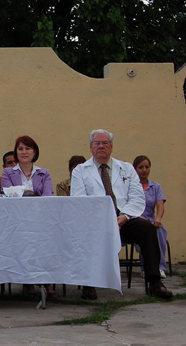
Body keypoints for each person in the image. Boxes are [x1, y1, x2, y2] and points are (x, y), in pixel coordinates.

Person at [71, 129, 173, 300]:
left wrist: (125, 216)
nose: (101, 147)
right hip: (96, 220)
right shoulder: (80, 171)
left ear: (111, 147)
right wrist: (104, 219)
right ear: (90, 147)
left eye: (105, 143)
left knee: (146, 228)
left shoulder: (126, 168)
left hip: (123, 218)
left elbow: (137, 197)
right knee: (85, 233)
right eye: (97, 143)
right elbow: (80, 200)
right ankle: (89, 284)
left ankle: (155, 282)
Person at [1, 135, 56, 298]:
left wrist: (25, 195)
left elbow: (47, 197)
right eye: (20, 149)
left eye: (28, 148)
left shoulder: (44, 173)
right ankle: (28, 281)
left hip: (40, 218)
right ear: (16, 152)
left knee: (46, 241)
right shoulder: (8, 173)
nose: (24, 152)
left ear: (34, 152)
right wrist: (32, 194)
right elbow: (9, 196)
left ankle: (47, 281)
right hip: (17, 220)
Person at [133, 155, 168, 278]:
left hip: (151, 220)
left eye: (147, 167)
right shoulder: (132, 186)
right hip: (136, 220)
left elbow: (160, 205)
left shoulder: (156, 187)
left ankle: (160, 267)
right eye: (140, 167)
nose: (144, 170)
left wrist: (158, 219)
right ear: (135, 169)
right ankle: (146, 268)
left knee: (160, 230)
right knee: (145, 229)